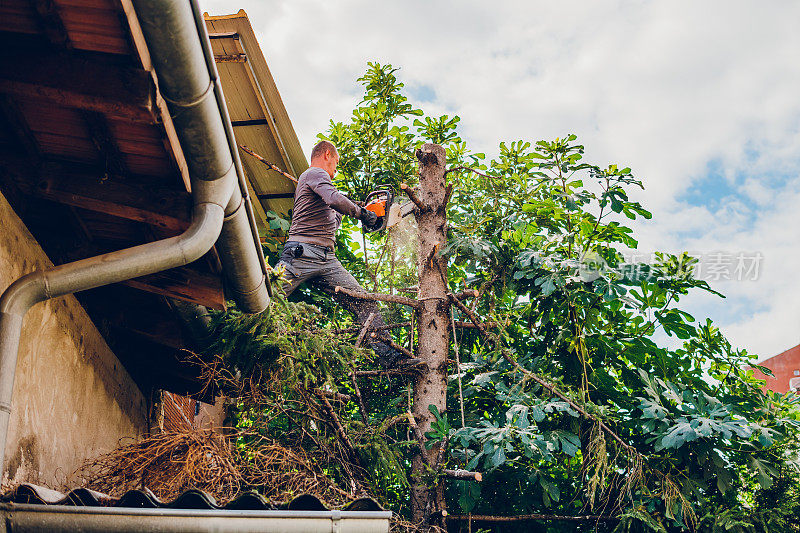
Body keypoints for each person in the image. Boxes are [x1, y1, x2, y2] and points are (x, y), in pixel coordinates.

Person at [275, 140, 421, 369]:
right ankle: (227, 333)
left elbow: (334, 206)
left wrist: (363, 209)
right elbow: (334, 198)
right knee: (265, 298)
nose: (334, 171)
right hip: (301, 254)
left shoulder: (322, 188)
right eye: (335, 164)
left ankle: (392, 360)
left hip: (327, 259)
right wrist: (362, 213)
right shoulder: (314, 173)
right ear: (326, 154)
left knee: (365, 303)